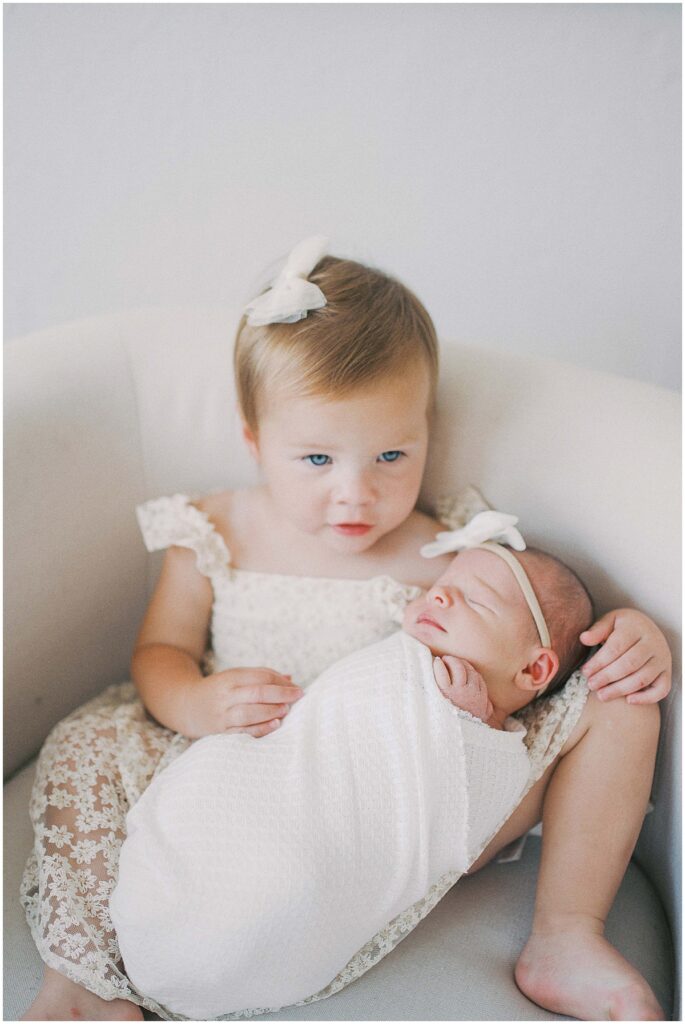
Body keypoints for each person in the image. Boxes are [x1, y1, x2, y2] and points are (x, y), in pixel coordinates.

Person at [20, 237, 669, 1022]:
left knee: (618, 696)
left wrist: (626, 631)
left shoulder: (447, 549)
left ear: (427, 433)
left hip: (403, 796)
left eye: (391, 454)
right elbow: (159, 653)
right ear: (257, 442)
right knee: (83, 745)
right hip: (229, 770)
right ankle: (83, 978)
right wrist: (193, 703)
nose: (355, 495)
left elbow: (533, 636)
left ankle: (565, 932)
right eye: (317, 459)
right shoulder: (214, 530)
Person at [108, 529, 599, 1021]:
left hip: (318, 852)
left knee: (294, 877)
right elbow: (325, 722)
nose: (440, 594)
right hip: (268, 784)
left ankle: (229, 936)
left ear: (536, 671)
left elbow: (462, 832)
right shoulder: (399, 655)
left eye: (474, 600)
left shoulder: (506, 755)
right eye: (440, 587)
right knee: (205, 783)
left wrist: (470, 727)